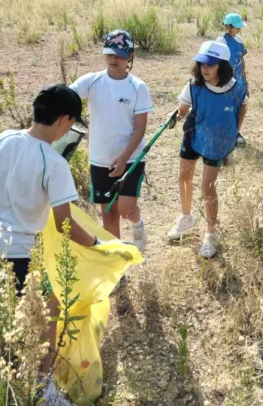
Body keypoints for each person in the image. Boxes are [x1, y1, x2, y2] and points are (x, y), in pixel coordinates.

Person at [0, 84, 100, 404]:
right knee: (48, 314)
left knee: (2, 312)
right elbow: (64, 224)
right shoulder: (54, 163)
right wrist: (96, 243)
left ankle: (4, 381)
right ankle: (43, 387)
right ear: (64, 121)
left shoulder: (3, 139)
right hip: (18, 251)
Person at [70, 29, 152, 247]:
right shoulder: (92, 81)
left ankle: (137, 224)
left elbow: (140, 128)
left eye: (120, 54)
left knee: (126, 209)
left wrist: (124, 158)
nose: (114, 59)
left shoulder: (138, 87)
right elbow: (67, 95)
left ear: (131, 56)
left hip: (131, 159)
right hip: (100, 159)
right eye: (110, 54)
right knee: (109, 214)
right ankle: (116, 265)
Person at [167, 40, 248, 258]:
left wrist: (234, 134)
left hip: (217, 140)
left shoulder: (237, 89)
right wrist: (174, 117)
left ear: (222, 66)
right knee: (184, 177)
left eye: (211, 64)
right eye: (202, 63)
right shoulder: (193, 85)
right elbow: (182, 109)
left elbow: (242, 109)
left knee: (207, 187)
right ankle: (186, 217)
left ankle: (211, 232)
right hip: (193, 134)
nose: (205, 68)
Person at [216, 13, 249, 145]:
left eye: (240, 27)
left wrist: (245, 78)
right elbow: (216, 62)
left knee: (243, 104)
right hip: (225, 80)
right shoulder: (221, 41)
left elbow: (241, 59)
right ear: (228, 27)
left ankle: (236, 132)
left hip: (239, 79)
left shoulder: (239, 40)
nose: (239, 30)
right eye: (237, 27)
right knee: (226, 107)